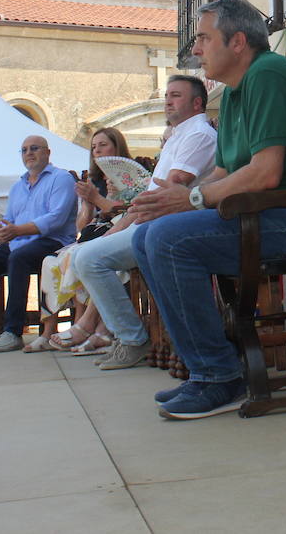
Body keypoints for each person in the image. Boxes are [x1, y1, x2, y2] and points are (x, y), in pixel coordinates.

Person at [125, 0, 286, 419]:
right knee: (146, 236)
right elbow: (224, 173)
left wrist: (190, 199)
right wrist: (173, 202)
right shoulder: (231, 95)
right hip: (275, 215)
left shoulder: (268, 73)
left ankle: (219, 377)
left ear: (238, 42)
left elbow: (265, 173)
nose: (195, 49)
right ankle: (207, 371)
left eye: (203, 38)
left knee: (165, 241)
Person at [70, 74, 218, 370]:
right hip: (152, 219)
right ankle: (128, 337)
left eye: (175, 95)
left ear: (197, 102)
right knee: (83, 255)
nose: (167, 101)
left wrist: (129, 215)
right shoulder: (178, 135)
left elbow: (172, 187)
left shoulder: (199, 133)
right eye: (167, 95)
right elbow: (152, 192)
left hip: (171, 223)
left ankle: (131, 339)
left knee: (88, 258)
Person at [0, 135, 77, 354]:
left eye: (34, 148)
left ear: (47, 153)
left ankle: (12, 331)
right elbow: (11, 223)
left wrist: (16, 231)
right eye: (24, 150)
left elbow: (56, 219)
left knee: (18, 257)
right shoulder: (18, 187)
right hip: (20, 242)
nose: (29, 153)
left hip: (53, 242)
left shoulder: (61, 178)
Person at [29, 128, 130, 354]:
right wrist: (87, 202)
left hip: (118, 232)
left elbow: (126, 212)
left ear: (117, 147)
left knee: (78, 258)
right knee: (50, 261)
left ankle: (87, 326)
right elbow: (81, 227)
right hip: (93, 233)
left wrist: (98, 198)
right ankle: (48, 331)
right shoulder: (95, 179)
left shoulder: (128, 174)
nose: (97, 150)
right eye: (94, 147)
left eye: (103, 145)